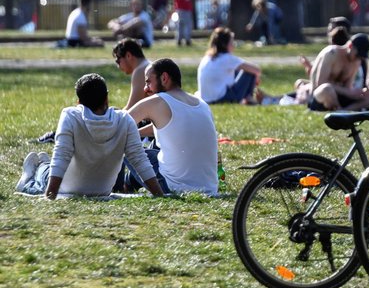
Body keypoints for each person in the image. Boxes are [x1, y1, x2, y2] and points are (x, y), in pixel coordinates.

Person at [16, 73, 163, 199]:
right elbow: (139, 160)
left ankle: (31, 176)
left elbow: (61, 157)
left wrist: (50, 196)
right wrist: (159, 194)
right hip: (102, 190)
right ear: (106, 98)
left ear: (79, 102)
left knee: (44, 172)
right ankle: (42, 166)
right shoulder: (125, 120)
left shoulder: (70, 115)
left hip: (66, 189)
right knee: (49, 167)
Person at [125, 59, 219, 195]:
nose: (145, 89)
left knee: (127, 144)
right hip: (209, 188)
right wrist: (138, 132)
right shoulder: (201, 104)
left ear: (164, 78)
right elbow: (170, 128)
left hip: (173, 187)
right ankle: (128, 184)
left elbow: (119, 125)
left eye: (148, 82)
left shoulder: (156, 102)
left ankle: (120, 184)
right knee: (153, 149)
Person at [307, 33, 369, 111]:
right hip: (322, 97)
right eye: (357, 55)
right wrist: (348, 92)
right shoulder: (331, 53)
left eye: (361, 56)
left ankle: (345, 110)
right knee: (327, 88)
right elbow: (321, 83)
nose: (358, 58)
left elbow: (347, 87)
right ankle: (340, 110)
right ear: (350, 46)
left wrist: (357, 93)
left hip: (342, 97)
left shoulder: (356, 61)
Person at [197, 27, 262, 105]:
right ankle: (248, 98)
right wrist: (256, 78)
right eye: (231, 42)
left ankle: (248, 98)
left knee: (238, 70)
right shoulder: (226, 58)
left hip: (206, 99)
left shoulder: (207, 58)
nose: (234, 45)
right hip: (222, 99)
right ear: (225, 44)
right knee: (249, 72)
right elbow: (257, 70)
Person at [112, 38, 152, 110]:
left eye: (118, 61)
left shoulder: (141, 71)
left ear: (128, 55)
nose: (118, 66)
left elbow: (131, 109)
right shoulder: (148, 65)